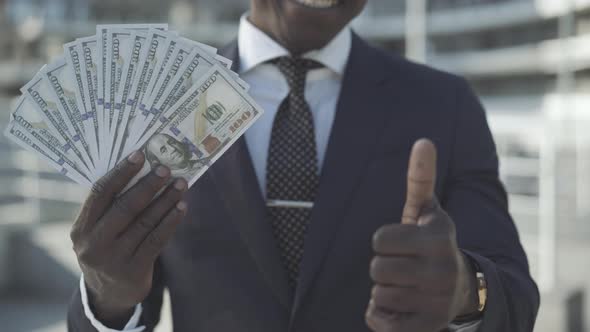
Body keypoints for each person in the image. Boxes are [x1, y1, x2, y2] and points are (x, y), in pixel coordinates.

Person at [67, 1, 540, 331]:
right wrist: (105, 298)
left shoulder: (444, 105)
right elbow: (121, 305)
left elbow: (514, 298)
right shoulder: (156, 109)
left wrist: (462, 290)